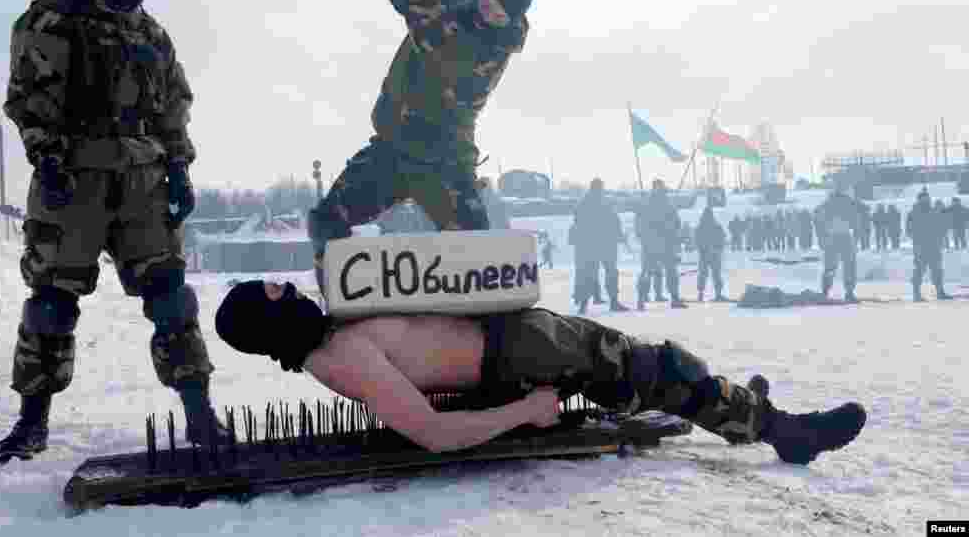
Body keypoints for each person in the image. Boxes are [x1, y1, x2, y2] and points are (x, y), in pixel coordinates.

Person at [0, 0, 227, 463]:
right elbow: (26, 95)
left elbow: (174, 105)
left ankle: (200, 415)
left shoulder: (151, 33)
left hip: (143, 182)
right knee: (52, 300)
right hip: (73, 178)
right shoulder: (52, 18)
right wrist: (45, 153)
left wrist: (180, 167)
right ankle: (31, 422)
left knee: (171, 296)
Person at [213, 280, 868, 466]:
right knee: (658, 368)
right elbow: (433, 433)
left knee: (638, 370)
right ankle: (780, 430)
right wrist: (523, 413)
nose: (287, 289)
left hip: (516, 336)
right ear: (267, 328)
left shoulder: (331, 336)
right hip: (521, 354)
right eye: (274, 296)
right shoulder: (342, 358)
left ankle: (730, 407)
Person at [306, 0, 532, 293]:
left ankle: (488, 335)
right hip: (392, 148)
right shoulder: (457, 6)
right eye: (487, 0)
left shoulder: (488, 50)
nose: (488, 12)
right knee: (327, 219)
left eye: (499, 13)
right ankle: (345, 307)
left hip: (443, 160)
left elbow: (422, 12)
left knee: (477, 255)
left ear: (509, 21)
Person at [571, 178, 628, 313]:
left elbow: (577, 222)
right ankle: (613, 302)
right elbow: (614, 221)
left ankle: (583, 305)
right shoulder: (605, 202)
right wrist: (619, 236)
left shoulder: (583, 203)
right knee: (611, 273)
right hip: (606, 243)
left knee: (589, 274)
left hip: (590, 244)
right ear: (601, 188)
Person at [636, 180, 686, 309]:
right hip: (661, 244)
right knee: (663, 271)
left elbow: (676, 223)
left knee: (659, 272)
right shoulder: (665, 204)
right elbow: (675, 223)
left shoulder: (647, 203)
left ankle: (642, 299)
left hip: (656, 244)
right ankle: (644, 298)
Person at [813, 188, 860, 302]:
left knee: (830, 266)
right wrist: (856, 236)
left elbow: (817, 219)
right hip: (845, 236)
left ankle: (825, 291)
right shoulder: (848, 202)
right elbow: (857, 220)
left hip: (832, 237)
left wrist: (821, 237)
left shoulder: (826, 205)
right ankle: (849, 292)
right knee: (849, 265)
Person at [906, 190, 952, 301]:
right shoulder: (913, 213)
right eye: (924, 198)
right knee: (919, 270)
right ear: (919, 199)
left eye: (927, 198)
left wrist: (941, 238)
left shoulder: (933, 211)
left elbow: (941, 225)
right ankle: (916, 294)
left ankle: (940, 292)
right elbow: (909, 230)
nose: (927, 200)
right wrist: (918, 239)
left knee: (937, 270)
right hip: (921, 247)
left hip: (934, 246)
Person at [694, 206, 727, 302]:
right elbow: (722, 239)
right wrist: (717, 249)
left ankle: (701, 294)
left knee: (703, 274)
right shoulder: (716, 226)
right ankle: (718, 294)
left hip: (705, 254)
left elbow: (697, 240)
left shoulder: (700, 227)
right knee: (715, 274)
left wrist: (703, 249)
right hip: (712, 254)